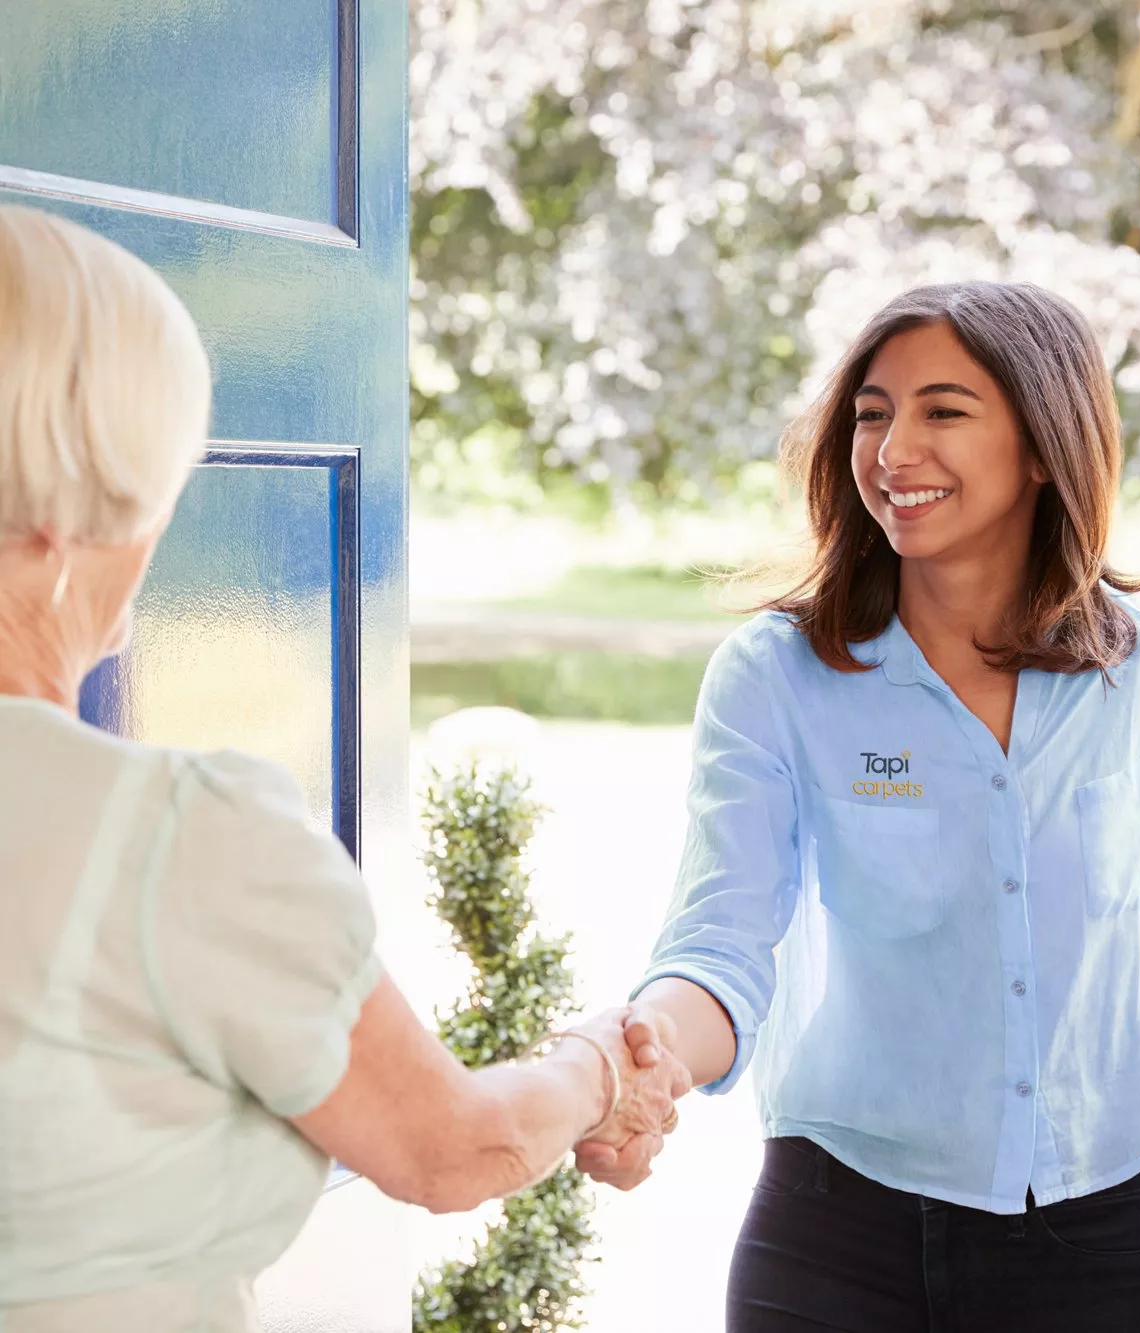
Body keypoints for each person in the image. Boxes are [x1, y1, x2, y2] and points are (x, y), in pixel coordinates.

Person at [0, 203, 689, 1333]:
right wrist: (602, 1065)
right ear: (59, 528)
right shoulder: (177, 836)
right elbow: (457, 1145)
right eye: (152, 485)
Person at [576, 282, 1140, 1333]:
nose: (892, 450)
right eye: (874, 412)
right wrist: (638, 1058)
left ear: (1047, 444)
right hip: (834, 1249)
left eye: (944, 411)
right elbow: (722, 946)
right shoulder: (776, 674)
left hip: (1111, 1250)